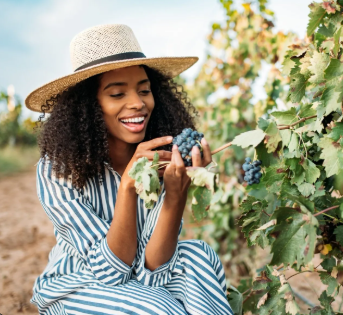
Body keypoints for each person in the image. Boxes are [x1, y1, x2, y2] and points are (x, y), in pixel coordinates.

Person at [25, 24, 233, 315]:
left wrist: (175, 196)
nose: (137, 103)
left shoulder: (161, 160)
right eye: (117, 94)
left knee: (198, 255)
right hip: (78, 286)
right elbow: (111, 273)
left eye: (144, 90)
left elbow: (154, 271)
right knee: (159, 306)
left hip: (142, 279)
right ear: (89, 106)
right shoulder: (59, 169)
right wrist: (127, 187)